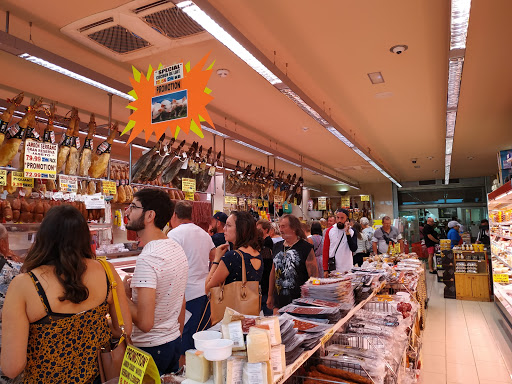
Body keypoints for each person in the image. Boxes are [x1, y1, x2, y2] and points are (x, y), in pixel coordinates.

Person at [0, 205, 131, 383]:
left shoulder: (24, 284)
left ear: (43, 238)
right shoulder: (106, 270)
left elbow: (12, 367)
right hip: (97, 377)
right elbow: (124, 328)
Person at [124, 189, 188, 374]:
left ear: (150, 215)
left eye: (133, 207)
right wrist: (175, 334)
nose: (127, 212)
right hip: (172, 342)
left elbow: (145, 323)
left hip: (148, 349)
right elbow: (181, 301)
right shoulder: (175, 248)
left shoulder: (148, 258)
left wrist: (120, 292)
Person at [168, 201, 215, 354]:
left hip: (186, 295)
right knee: (202, 337)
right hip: (204, 292)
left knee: (186, 339)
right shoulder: (204, 234)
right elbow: (214, 257)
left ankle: (185, 372)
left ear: (174, 215)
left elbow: (170, 264)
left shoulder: (173, 234)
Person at [267, 215, 318, 312]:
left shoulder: (305, 248)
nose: (280, 229)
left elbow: (313, 276)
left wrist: (311, 299)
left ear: (293, 228)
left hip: (299, 302)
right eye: (280, 226)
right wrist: (270, 295)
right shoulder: (277, 246)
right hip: (279, 301)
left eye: (283, 226)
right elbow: (273, 271)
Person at [205, 211, 263, 295]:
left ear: (241, 229)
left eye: (228, 225)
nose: (224, 228)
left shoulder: (232, 257)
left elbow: (208, 289)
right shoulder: (257, 254)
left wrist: (216, 259)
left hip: (231, 306)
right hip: (250, 306)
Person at [323, 209, 358, 275]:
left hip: (347, 269)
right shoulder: (330, 231)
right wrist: (325, 269)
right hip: (333, 269)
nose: (339, 220)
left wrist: (347, 233)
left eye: (342, 218)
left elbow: (354, 248)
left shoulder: (352, 231)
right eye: (338, 218)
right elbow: (325, 250)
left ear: (347, 219)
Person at [256, 219, 274, 316]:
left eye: (259, 229)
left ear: (266, 230)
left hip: (266, 279)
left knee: (266, 307)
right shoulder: (263, 242)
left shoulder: (267, 243)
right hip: (264, 280)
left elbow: (267, 263)